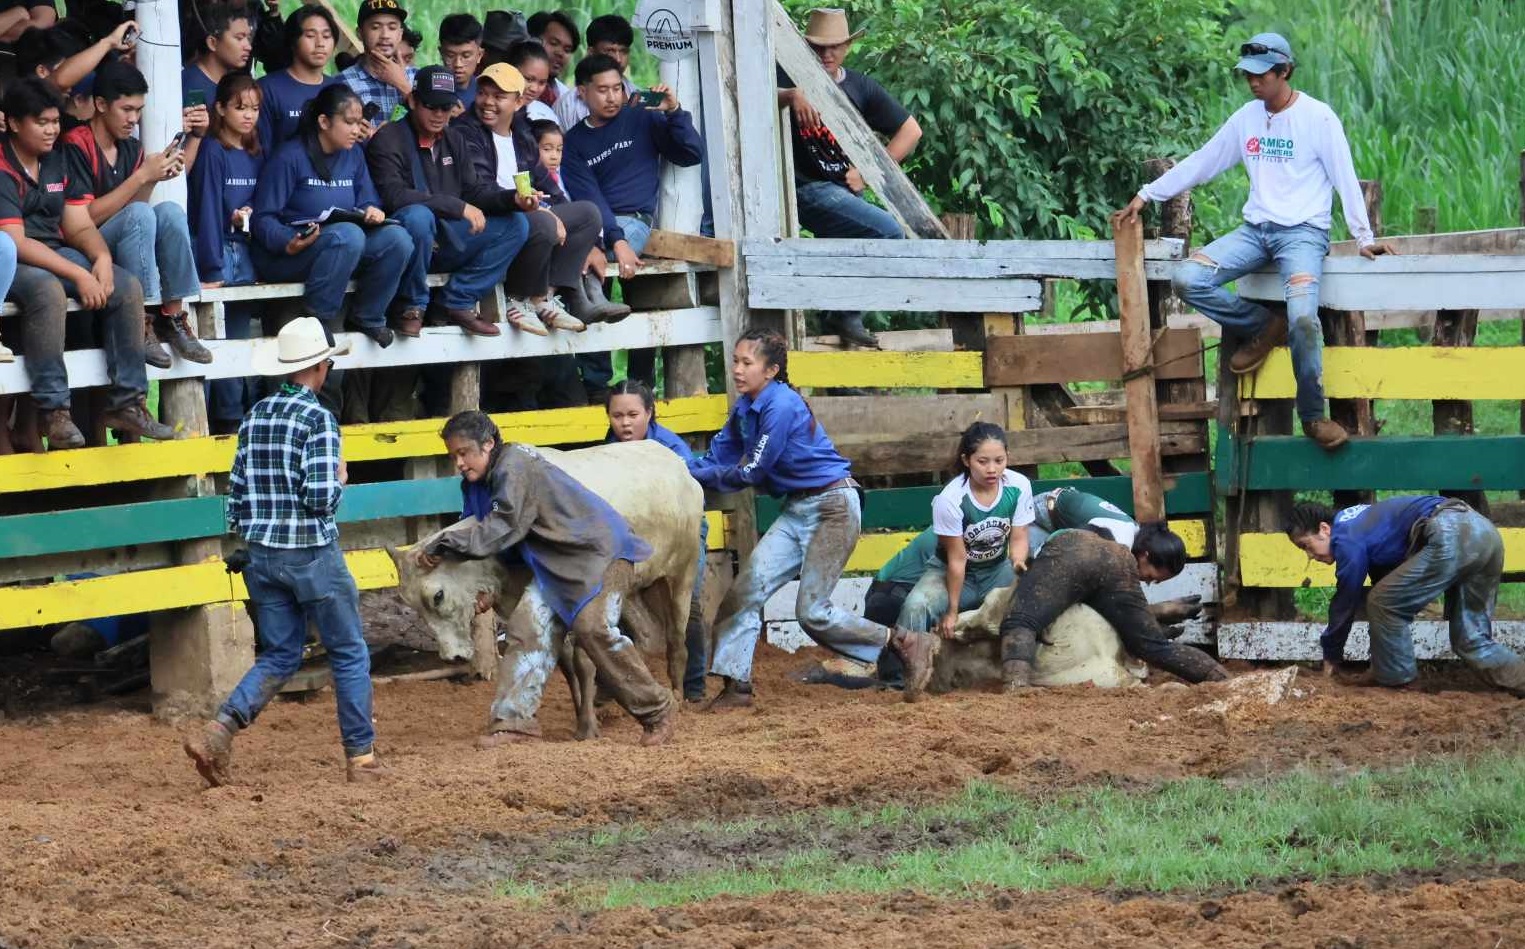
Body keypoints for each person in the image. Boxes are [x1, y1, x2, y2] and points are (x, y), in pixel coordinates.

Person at [1116, 33, 1397, 452]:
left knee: (1304, 318)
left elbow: (1344, 176)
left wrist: (1363, 238)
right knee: (1187, 278)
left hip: (1302, 234)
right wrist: (1147, 194)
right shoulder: (1247, 118)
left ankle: (1314, 416)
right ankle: (1263, 326)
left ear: (1285, 72)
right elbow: (1203, 160)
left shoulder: (1318, 119)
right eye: (1247, 76)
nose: (1253, 83)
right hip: (1255, 232)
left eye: (1262, 75)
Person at [688, 328, 940, 707]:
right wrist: (680, 470)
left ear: (771, 370)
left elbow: (752, 471)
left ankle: (903, 641)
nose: (737, 370)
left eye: (746, 363)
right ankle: (735, 686)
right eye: (735, 361)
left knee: (812, 612)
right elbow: (716, 459)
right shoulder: (745, 408)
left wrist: (700, 474)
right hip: (799, 507)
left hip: (833, 506)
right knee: (744, 593)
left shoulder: (781, 405)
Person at [183, 316, 383, 787]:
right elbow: (319, 498)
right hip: (311, 553)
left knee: (279, 654)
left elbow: (236, 491)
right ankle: (362, 760)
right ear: (321, 367)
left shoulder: (256, 415)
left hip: (261, 555)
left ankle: (221, 730)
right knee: (349, 652)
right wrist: (339, 480)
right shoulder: (319, 419)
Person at [414, 410, 678, 746]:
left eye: (464, 453)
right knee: (525, 627)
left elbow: (501, 529)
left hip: (598, 553)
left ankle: (658, 710)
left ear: (488, 444)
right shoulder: (480, 483)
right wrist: (488, 589)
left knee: (591, 627)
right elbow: (492, 543)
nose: (460, 463)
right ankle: (514, 722)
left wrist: (445, 541)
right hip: (559, 564)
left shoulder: (513, 466)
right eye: (454, 456)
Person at [1, 77, 175, 448]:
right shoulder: (2, 163)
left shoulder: (54, 160)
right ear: (14, 123)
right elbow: (17, 243)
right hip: (11, 259)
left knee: (126, 286)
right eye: (41, 122)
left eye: (54, 121)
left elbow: (76, 221)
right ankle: (55, 413)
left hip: (54, 250)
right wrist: (79, 272)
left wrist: (101, 258)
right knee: (48, 291)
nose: (51, 130)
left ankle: (127, 403)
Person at [777, 8, 920, 349]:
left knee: (852, 252)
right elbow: (744, 95)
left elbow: (911, 131)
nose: (827, 54)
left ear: (847, 47)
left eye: (835, 47)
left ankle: (840, 322)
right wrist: (791, 95)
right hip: (803, 188)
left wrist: (869, 175)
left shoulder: (860, 86)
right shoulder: (787, 75)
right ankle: (843, 312)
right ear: (806, 47)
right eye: (819, 47)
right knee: (887, 231)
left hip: (843, 192)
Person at [563, 53, 703, 396]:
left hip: (634, 222)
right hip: (597, 224)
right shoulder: (574, 142)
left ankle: (641, 386)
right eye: (602, 90)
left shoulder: (642, 117)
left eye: (617, 88)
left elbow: (690, 153)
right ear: (582, 92)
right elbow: (589, 195)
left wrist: (673, 111)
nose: (612, 97)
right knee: (591, 277)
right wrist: (613, 238)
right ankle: (595, 384)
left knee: (638, 301)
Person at [1285, 498, 1525, 695]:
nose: (1310, 556)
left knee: (1382, 602)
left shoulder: (1345, 538)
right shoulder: (1359, 522)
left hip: (1450, 530)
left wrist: (1331, 655)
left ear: (1325, 529)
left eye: (1306, 545)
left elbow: (1347, 598)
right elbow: (1388, 582)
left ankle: (1398, 682)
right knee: (1471, 639)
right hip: (1484, 532)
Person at [65, 60, 211, 368]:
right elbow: (86, 218)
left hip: (125, 242)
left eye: (139, 110)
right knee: (139, 215)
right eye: (126, 109)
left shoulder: (131, 147)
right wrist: (142, 177)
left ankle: (172, 316)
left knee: (169, 211)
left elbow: (137, 205)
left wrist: (155, 177)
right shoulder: (76, 143)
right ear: (101, 104)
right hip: (85, 246)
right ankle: (140, 321)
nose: (134, 118)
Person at [367, 66, 531, 338]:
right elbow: (394, 196)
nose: (439, 114)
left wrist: (512, 198)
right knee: (417, 217)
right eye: (431, 106)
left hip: (447, 239)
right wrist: (456, 206)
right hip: (405, 245)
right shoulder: (389, 138)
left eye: (446, 107)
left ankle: (457, 299)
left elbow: (475, 191)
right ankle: (411, 306)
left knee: (517, 223)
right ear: (412, 101)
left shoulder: (454, 138)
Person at [251, 83, 411, 348]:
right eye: (349, 123)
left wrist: (372, 210)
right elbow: (263, 218)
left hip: (341, 247)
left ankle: (368, 316)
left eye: (359, 123)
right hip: (292, 252)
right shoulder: (290, 156)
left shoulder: (354, 155)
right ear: (324, 121)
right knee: (348, 235)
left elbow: (367, 198)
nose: (356, 130)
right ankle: (317, 318)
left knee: (398, 238)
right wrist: (288, 241)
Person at [455, 62, 602, 334]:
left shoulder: (522, 136)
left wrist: (594, 243)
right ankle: (517, 300)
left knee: (588, 215)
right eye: (483, 93)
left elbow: (552, 189)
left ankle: (543, 298)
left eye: (498, 97)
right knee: (543, 223)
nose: (487, 102)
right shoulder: (465, 132)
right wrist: (536, 210)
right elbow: (478, 192)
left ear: (519, 101)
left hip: (527, 210)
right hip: (491, 220)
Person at [996, 524, 1228, 690]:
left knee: (1021, 620)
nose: (1147, 581)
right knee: (1154, 646)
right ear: (1146, 555)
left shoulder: (1120, 526)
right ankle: (1221, 678)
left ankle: (1016, 684)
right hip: (1096, 556)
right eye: (1151, 576)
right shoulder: (1124, 555)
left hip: (1073, 546)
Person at [605, 380, 710, 702]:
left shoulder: (672, 450)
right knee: (609, 607)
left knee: (687, 606)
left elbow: (688, 501)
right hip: (629, 536)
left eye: (633, 414)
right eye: (617, 415)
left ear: (650, 413)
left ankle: (693, 688)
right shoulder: (606, 451)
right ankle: (616, 687)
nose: (625, 423)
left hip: (680, 531)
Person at [898, 423, 1033, 641]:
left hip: (997, 570)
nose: (992, 469)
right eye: (982, 461)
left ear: (1008, 456)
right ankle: (898, 672)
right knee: (916, 607)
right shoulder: (950, 499)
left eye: (999, 461)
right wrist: (952, 611)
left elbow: (1019, 537)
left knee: (1032, 600)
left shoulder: (1019, 486)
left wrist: (1018, 562)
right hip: (951, 573)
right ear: (966, 460)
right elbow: (957, 560)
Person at [189, 73, 264, 433]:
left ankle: (234, 418)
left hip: (245, 251)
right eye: (239, 107)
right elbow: (204, 209)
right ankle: (210, 419)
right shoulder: (213, 152)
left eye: (254, 108)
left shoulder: (255, 151)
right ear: (220, 108)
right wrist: (210, 266)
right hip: (217, 249)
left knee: (238, 340)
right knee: (210, 341)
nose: (248, 116)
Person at [256, 4, 339, 154]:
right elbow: (260, 151)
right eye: (310, 36)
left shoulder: (338, 89)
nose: (320, 43)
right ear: (292, 41)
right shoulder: (266, 89)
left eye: (326, 36)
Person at [338, 0, 417, 134]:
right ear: (359, 33)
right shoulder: (343, 83)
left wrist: (403, 85)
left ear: (400, 34)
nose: (385, 35)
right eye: (375, 27)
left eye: (392, 28)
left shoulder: (418, 77)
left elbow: (434, 125)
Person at [552, 14, 636, 130]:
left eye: (623, 51)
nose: (618, 59)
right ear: (591, 52)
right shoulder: (567, 105)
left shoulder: (639, 96)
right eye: (610, 51)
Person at [182, 4, 253, 113]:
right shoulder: (194, 88)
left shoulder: (235, 81)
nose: (248, 46)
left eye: (248, 38)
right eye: (239, 38)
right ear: (212, 43)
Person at [1031, 486, 1139, 552]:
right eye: (1153, 577)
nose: (1149, 582)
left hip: (1062, 519)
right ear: (1145, 555)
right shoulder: (1121, 543)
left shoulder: (1134, 528)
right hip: (1041, 515)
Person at [525, 9, 578, 108]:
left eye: (567, 50)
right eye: (554, 43)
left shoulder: (567, 98)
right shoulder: (509, 86)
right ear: (532, 40)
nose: (560, 53)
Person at [506, 39, 561, 126]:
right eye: (529, 79)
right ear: (510, 70)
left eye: (542, 83)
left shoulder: (547, 117)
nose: (534, 89)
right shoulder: (492, 107)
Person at [438, 13, 484, 112]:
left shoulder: (485, 92)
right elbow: (398, 114)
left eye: (466, 56)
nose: (458, 64)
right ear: (441, 53)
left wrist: (464, 119)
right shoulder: (428, 86)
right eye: (450, 56)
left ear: (479, 55)